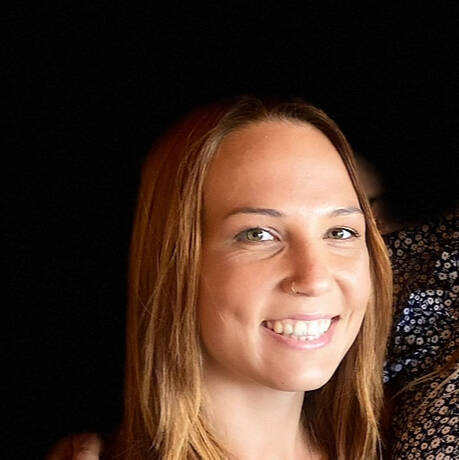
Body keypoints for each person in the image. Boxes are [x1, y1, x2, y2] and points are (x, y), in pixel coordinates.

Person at [46, 96, 393, 459]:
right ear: (177, 261)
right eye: (258, 234)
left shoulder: (402, 442)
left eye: (340, 232)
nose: (314, 279)